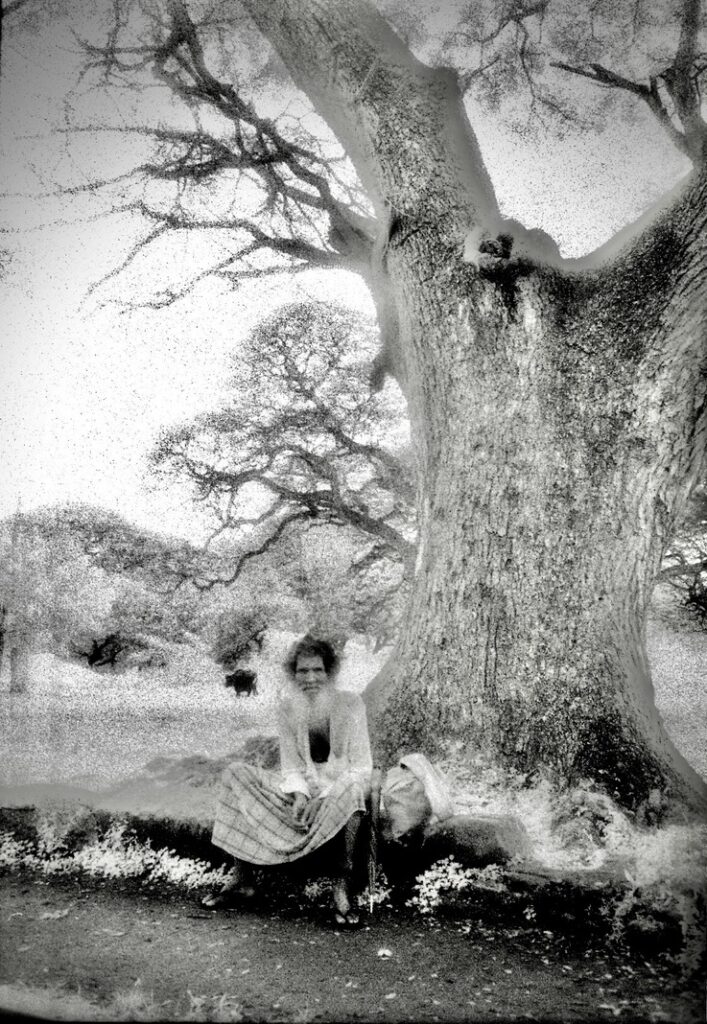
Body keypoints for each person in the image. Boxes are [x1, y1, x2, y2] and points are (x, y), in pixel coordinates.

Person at [203, 634, 373, 925]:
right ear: (293, 675)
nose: (310, 678)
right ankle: (243, 879)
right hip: (302, 799)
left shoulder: (351, 704)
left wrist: (321, 798)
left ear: (329, 672)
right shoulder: (287, 708)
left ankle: (342, 886)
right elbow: (291, 768)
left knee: (354, 788)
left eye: (317, 670)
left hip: (338, 796)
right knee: (236, 774)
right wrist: (301, 795)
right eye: (302, 671)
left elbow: (361, 768)